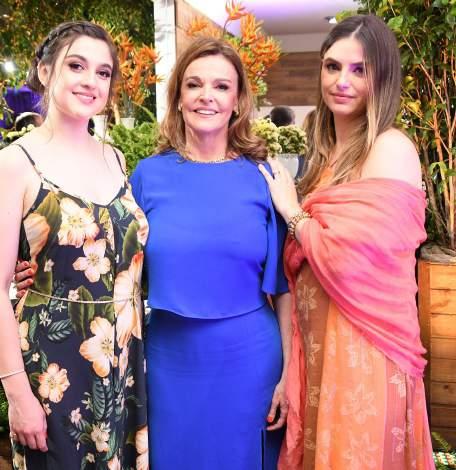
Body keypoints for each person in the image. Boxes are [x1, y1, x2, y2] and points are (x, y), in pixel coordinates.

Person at [15, 36, 292, 470]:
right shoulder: (146, 174)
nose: (206, 96)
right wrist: (40, 276)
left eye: (221, 86)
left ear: (238, 100)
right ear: (177, 97)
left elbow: (284, 286)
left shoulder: (264, 176)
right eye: (194, 84)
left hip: (250, 361)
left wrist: (290, 373)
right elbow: (110, 253)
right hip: (166, 363)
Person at [259, 14, 435, 470]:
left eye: (359, 70)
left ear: (382, 78)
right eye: (333, 66)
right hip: (321, 349)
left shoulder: (390, 148)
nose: (341, 81)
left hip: (366, 350)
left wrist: (293, 213)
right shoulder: (325, 155)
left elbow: (348, 263)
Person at [0, 21, 149, 469]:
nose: (91, 81)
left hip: (122, 358)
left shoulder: (115, 157)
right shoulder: (15, 164)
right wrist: (17, 394)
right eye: (77, 66)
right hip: (54, 364)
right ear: (45, 71)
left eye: (103, 72)